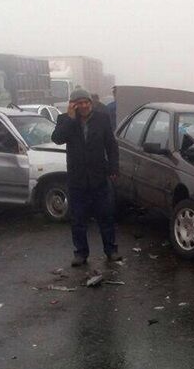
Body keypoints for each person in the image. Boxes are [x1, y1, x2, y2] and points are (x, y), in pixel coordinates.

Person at [50, 89, 121, 267]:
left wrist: (114, 167)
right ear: (73, 105)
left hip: (99, 176)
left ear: (91, 102)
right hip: (77, 179)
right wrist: (70, 118)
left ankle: (111, 250)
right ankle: (81, 253)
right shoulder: (65, 120)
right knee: (78, 219)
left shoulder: (102, 118)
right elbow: (57, 138)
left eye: (86, 102)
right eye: (79, 103)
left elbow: (111, 145)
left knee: (106, 217)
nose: (84, 106)